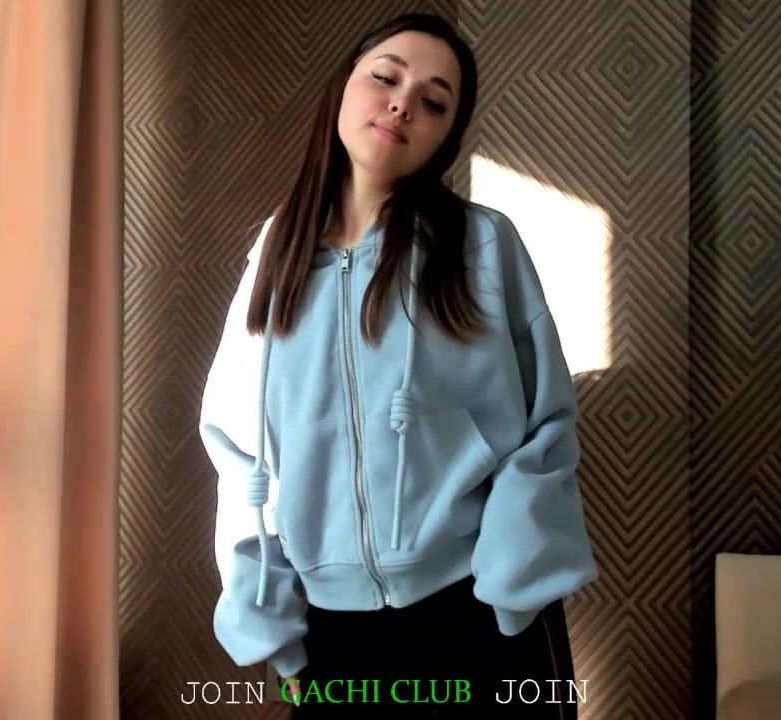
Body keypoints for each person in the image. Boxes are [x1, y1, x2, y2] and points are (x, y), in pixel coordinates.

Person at [199, 12, 597, 718]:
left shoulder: (480, 245)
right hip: (331, 634)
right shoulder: (275, 255)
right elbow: (241, 454)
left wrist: (510, 595)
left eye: (434, 101)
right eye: (386, 78)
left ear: (446, 135)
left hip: (475, 612)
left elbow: (545, 426)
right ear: (344, 86)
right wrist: (277, 633)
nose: (402, 104)